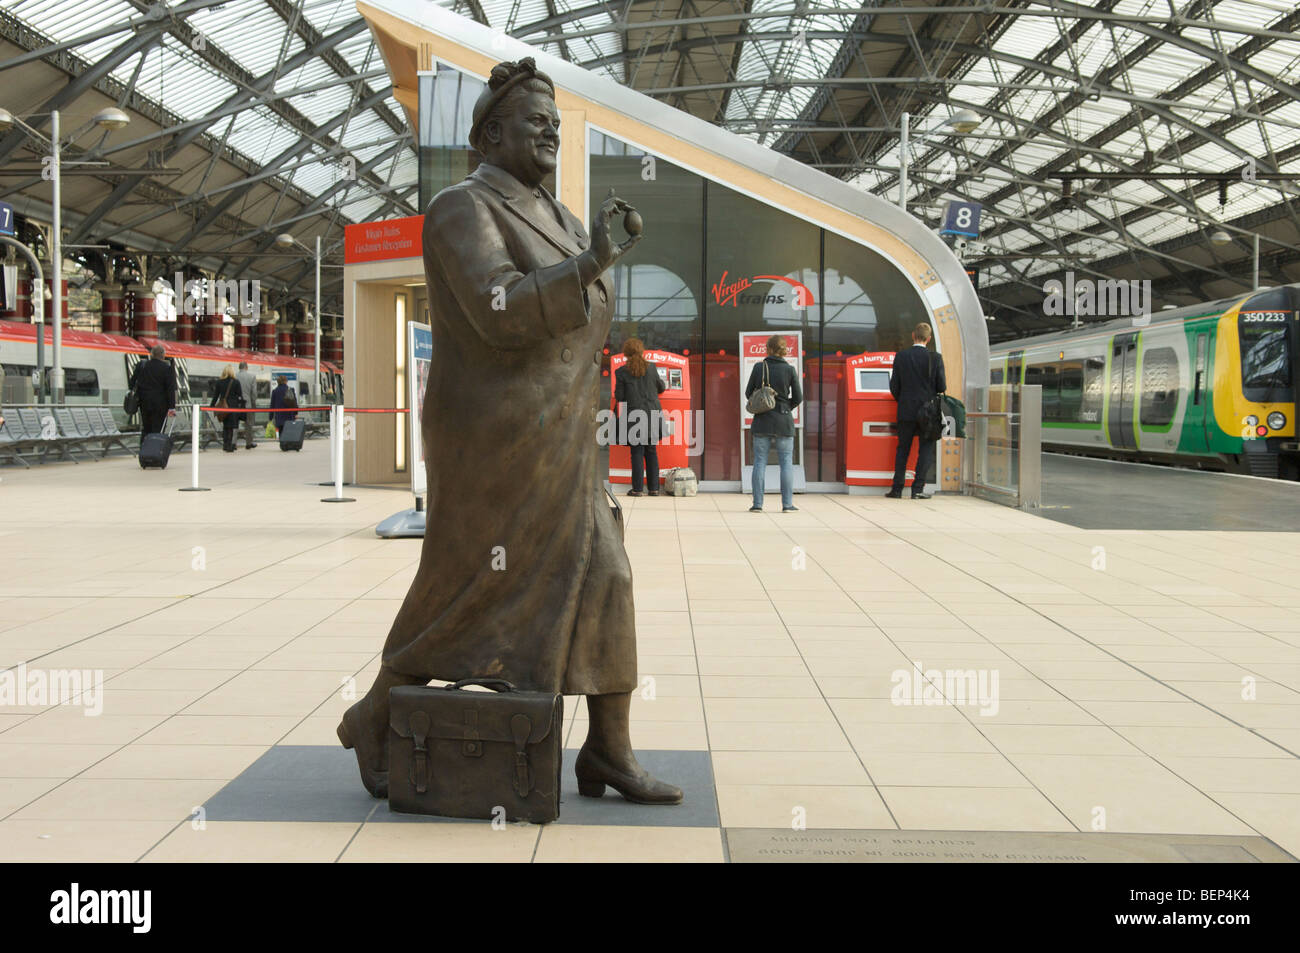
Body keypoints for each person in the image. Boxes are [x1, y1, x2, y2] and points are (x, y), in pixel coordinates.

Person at [337, 57, 681, 806]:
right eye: (536, 120)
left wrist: (591, 260)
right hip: (495, 443)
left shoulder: (558, 215)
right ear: (490, 133)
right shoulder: (461, 208)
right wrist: (593, 261)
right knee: (464, 587)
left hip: (561, 439)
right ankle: (373, 716)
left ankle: (609, 750)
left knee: (606, 572)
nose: (552, 130)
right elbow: (500, 307)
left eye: (556, 122)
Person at [888, 322, 947, 500]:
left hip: (906, 410)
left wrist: (903, 400)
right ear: (928, 339)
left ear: (913, 335)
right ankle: (917, 490)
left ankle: (897, 490)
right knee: (926, 450)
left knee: (902, 449)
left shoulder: (901, 356)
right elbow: (941, 386)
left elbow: (894, 386)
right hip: (928, 413)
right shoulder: (935, 358)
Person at [744, 334, 803, 513]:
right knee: (786, 463)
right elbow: (799, 397)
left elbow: (749, 393)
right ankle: (787, 505)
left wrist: (764, 403)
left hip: (762, 420)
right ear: (784, 350)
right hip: (784, 421)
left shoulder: (759, 367)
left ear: (767, 349)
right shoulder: (790, 370)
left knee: (759, 462)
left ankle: (757, 504)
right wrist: (785, 407)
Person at [614, 338, 665, 497]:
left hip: (635, 415)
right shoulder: (651, 368)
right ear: (641, 351)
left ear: (626, 353)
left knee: (637, 452)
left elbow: (620, 396)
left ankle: (637, 489)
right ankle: (654, 488)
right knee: (651, 451)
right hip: (653, 413)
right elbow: (661, 387)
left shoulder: (622, 372)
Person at [130, 344, 177, 436]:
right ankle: (154, 448)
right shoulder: (167, 368)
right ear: (163, 355)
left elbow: (132, 383)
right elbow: (170, 389)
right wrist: (172, 407)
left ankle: (144, 448)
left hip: (144, 403)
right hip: (161, 405)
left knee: (146, 428)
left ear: (151, 354)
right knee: (158, 428)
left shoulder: (142, 365)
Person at [210, 365, 243, 453]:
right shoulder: (236, 382)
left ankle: (225, 444)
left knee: (225, 425)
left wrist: (212, 406)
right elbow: (240, 395)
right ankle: (230, 445)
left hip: (223, 407)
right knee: (232, 426)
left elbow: (215, 396)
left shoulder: (219, 382)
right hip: (233, 407)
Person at [235, 361, 258, 449]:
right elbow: (254, 393)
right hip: (248, 405)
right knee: (249, 424)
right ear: (246, 367)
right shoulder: (252, 376)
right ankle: (249, 443)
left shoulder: (235, 376)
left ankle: (234, 443)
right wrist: (253, 403)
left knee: (235, 424)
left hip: (236, 405)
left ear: (239, 367)